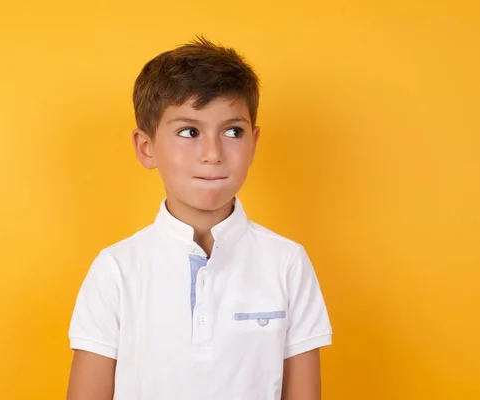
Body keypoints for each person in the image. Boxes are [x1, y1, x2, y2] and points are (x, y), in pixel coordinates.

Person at [66, 36, 332, 400]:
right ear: (147, 148)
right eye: (189, 132)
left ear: (253, 143)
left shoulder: (287, 264)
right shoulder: (116, 270)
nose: (212, 153)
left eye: (232, 131)